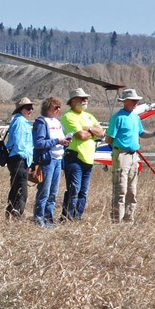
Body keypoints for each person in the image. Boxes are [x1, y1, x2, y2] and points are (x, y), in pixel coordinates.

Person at [105, 88, 155, 223]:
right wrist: (117, 151)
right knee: (120, 189)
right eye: (133, 100)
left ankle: (129, 220)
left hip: (133, 156)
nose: (136, 103)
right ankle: (116, 222)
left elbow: (141, 133)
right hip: (122, 155)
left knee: (132, 191)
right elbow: (109, 138)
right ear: (125, 102)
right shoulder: (118, 118)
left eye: (137, 100)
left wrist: (153, 134)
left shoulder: (135, 117)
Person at [60, 88, 105, 221]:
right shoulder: (68, 116)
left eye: (86, 98)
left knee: (83, 192)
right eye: (82, 98)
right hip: (74, 158)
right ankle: (67, 217)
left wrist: (88, 129)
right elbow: (81, 135)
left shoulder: (89, 116)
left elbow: (102, 133)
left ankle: (77, 217)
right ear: (73, 101)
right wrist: (91, 131)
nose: (85, 100)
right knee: (74, 190)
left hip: (88, 160)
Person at [32, 97, 71, 227]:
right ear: (48, 107)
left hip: (58, 159)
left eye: (59, 107)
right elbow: (38, 143)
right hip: (47, 161)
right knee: (44, 192)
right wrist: (57, 141)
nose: (58, 110)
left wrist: (65, 142)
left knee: (53, 193)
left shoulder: (58, 123)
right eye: (56, 107)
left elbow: (60, 139)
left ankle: (49, 220)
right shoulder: (41, 122)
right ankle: (38, 219)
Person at [5, 97, 34, 219]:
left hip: (18, 159)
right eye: (28, 108)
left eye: (32, 108)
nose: (31, 110)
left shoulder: (19, 121)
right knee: (21, 191)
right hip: (19, 159)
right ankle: (17, 216)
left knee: (16, 188)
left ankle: (10, 214)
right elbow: (19, 143)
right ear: (21, 110)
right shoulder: (20, 122)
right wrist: (27, 158)